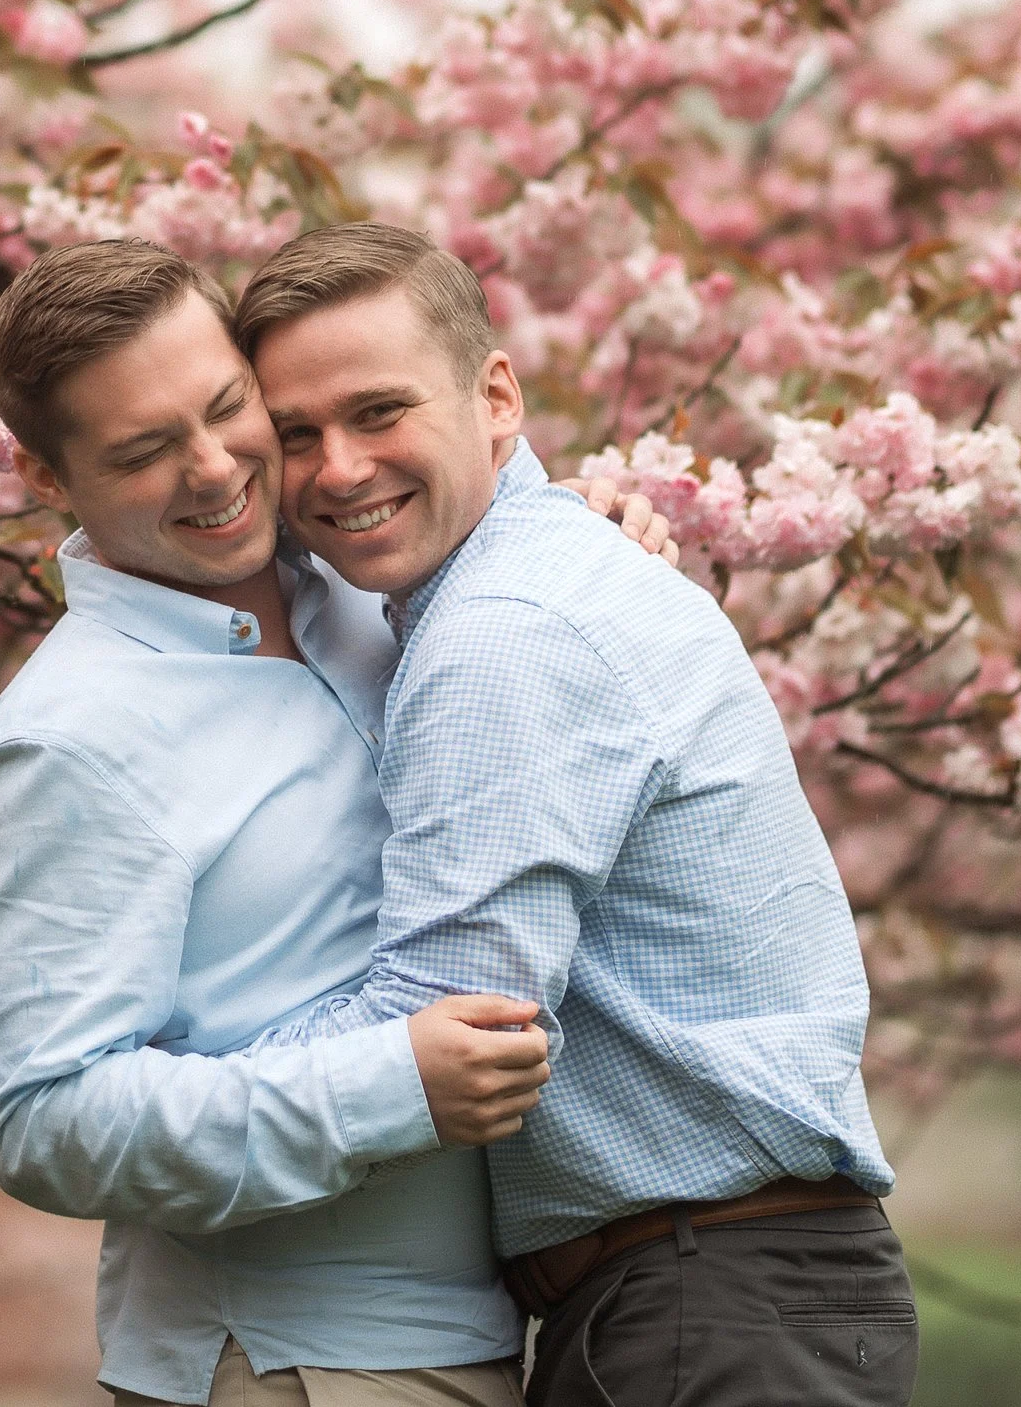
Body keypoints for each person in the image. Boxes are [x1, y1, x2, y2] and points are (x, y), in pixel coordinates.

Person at [0, 239, 669, 1407]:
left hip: (501, 1325)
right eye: (140, 451)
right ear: (44, 476)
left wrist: (578, 550)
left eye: (229, 408)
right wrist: (384, 1086)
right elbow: (43, 1119)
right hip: (289, 1360)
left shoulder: (370, 593)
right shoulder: (68, 742)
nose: (212, 468)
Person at [234, 222, 916, 1407]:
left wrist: (153, 1099)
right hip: (717, 1296)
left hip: (708, 1303)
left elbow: (455, 1023)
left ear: (495, 394)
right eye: (296, 435)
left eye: (379, 411)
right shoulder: (533, 583)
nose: (337, 468)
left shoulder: (507, 631)